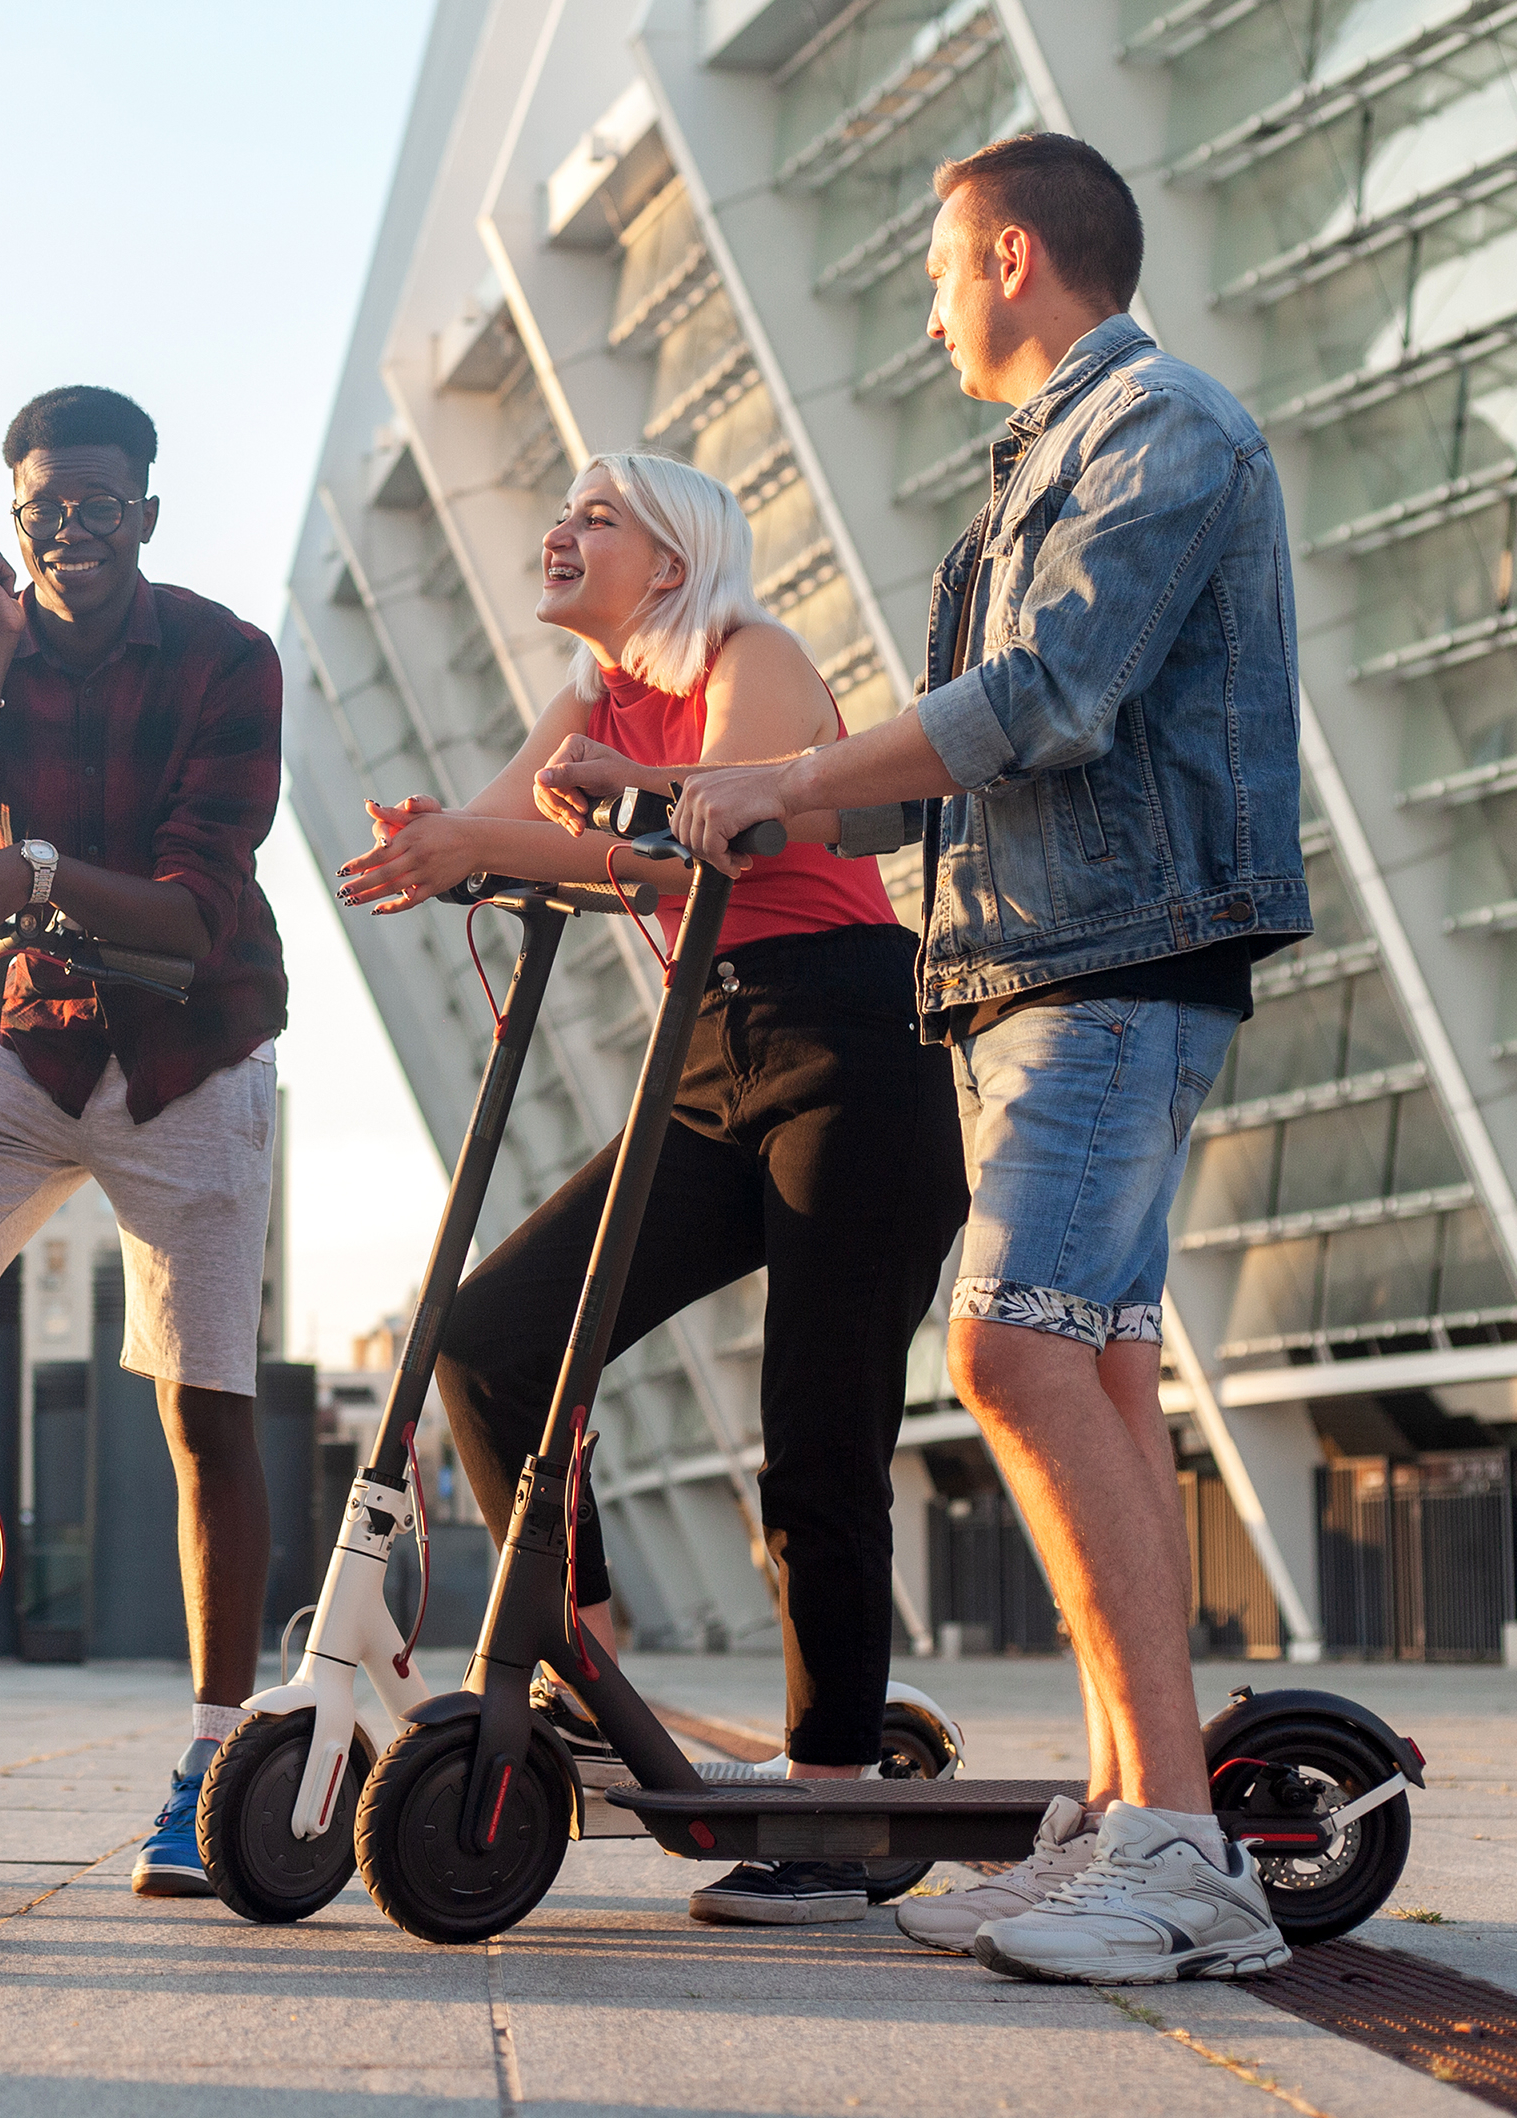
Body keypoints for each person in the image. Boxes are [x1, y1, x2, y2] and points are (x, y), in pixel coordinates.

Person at [602, 133, 1313, 1983]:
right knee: (1099, 1370)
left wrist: (791, 777)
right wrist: (752, 815)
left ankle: (1179, 1848)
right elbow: (1017, 770)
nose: (921, 303)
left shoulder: (1157, 429)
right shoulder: (1041, 465)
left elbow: (1046, 701)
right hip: (1040, 962)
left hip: (1120, 962)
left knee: (1006, 1353)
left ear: (1011, 257)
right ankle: (1115, 1816)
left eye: (934, 269)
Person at [336, 450, 967, 1927]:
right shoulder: (587, 703)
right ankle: (576, 1675)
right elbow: (515, 828)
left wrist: (556, 818)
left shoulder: (753, 652)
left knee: (815, 1438)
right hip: (706, 1057)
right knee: (486, 1341)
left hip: (844, 1045)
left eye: (595, 516)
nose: (558, 529)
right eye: (560, 509)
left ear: (671, 561)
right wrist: (443, 846)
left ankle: (826, 1814)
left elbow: (725, 820)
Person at [0, 385, 290, 1896]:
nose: (73, 530)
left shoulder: (227, 658)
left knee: (202, 1406)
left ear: (146, 513)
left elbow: (192, 907)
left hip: (190, 1048)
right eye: (45, 510)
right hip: (26, 1035)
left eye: (99, 505)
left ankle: (216, 1760)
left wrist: (25, 869)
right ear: (13, 522)